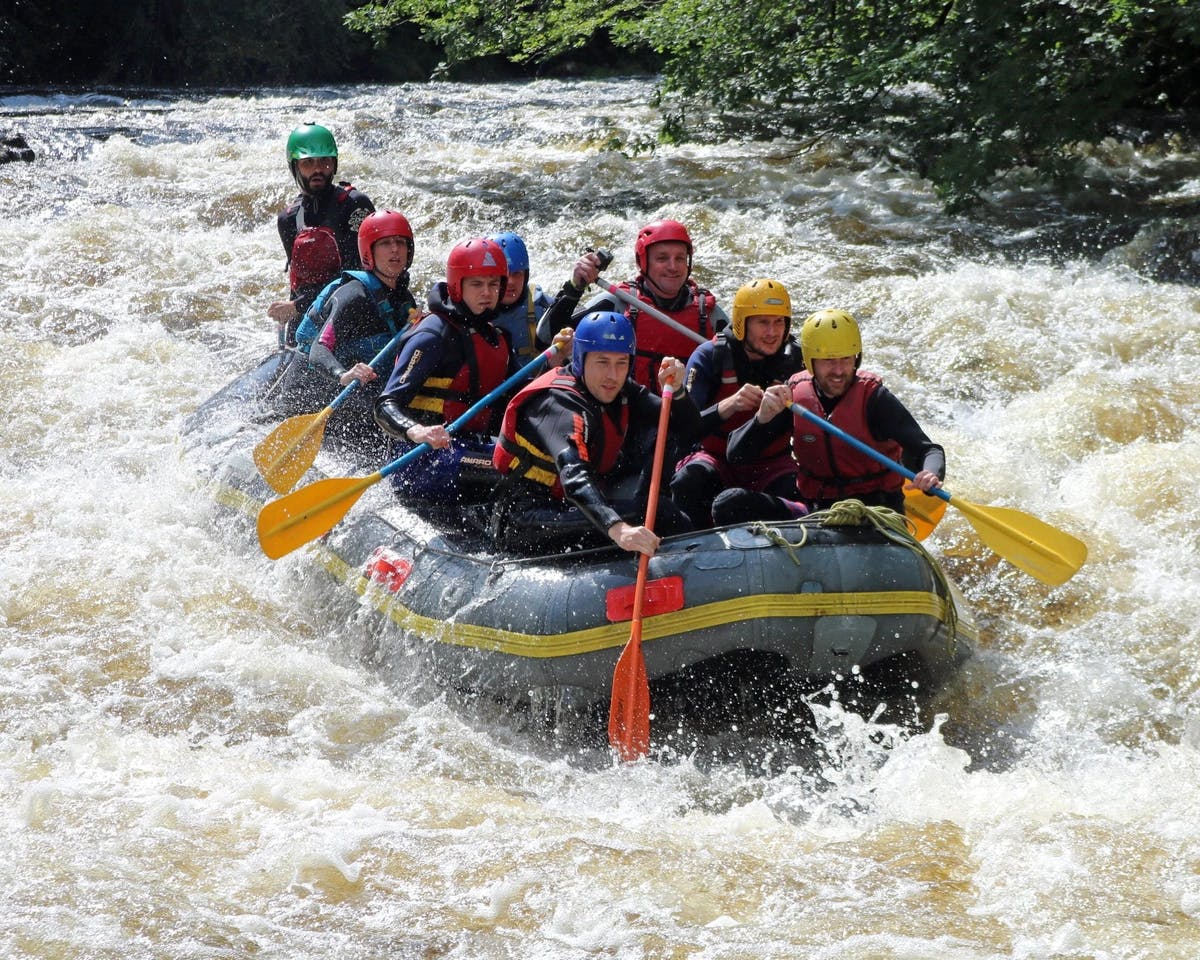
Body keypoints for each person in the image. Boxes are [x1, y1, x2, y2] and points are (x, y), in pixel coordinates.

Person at [490, 311, 702, 557]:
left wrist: (676, 392)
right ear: (580, 359)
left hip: (571, 506)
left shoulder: (619, 388)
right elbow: (575, 476)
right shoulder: (559, 404)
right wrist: (618, 529)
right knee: (659, 514)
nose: (612, 375)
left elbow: (687, 428)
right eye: (602, 362)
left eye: (621, 362)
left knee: (657, 495)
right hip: (526, 519)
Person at [715, 309, 944, 525]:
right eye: (828, 361)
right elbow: (736, 454)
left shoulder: (874, 399)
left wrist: (930, 473)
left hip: (877, 512)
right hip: (819, 512)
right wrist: (762, 419)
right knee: (730, 503)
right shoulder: (793, 396)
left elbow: (929, 450)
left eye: (846, 359)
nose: (838, 370)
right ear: (810, 361)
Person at [373, 236, 516, 512]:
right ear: (457, 286)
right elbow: (385, 406)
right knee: (518, 471)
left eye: (493, 284)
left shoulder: (496, 337)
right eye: (476, 284)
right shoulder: (432, 334)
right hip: (423, 460)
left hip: (469, 450)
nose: (486, 293)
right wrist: (416, 431)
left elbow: (514, 401)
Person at [669, 278, 808, 527]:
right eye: (763, 322)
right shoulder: (710, 356)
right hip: (716, 459)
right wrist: (729, 405)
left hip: (772, 464)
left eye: (779, 322)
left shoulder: (797, 362)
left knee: (801, 490)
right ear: (743, 324)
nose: (772, 332)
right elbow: (684, 432)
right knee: (687, 482)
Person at [536, 219, 728, 392]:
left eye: (680, 258)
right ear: (642, 262)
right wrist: (574, 288)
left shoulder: (710, 314)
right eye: (662, 258)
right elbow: (545, 337)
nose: (673, 266)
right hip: (629, 417)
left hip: (687, 418)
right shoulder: (618, 304)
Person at [266, 123, 375, 344]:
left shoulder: (354, 205)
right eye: (308, 163)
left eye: (324, 161)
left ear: (334, 164)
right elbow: (299, 284)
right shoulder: (288, 219)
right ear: (295, 166)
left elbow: (356, 277)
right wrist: (293, 321)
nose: (318, 169)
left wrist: (297, 306)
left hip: (353, 313)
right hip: (310, 314)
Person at [489, 231, 554, 361]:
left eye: (517, 274)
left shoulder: (542, 305)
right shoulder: (474, 313)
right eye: (505, 275)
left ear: (526, 275)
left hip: (537, 379)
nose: (511, 282)